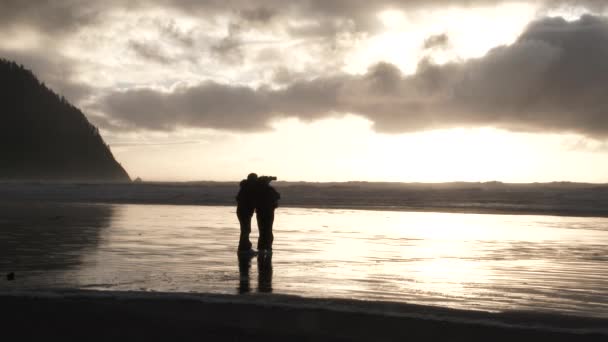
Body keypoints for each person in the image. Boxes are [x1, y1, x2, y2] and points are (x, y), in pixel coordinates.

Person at [255, 176, 280, 252]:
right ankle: (268, 247)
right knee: (268, 230)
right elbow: (278, 196)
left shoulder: (257, 190)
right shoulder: (269, 189)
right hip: (269, 212)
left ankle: (261, 247)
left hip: (260, 212)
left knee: (262, 230)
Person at [236, 173, 258, 252]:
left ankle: (244, 246)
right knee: (246, 230)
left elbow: (238, 198)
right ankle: (244, 247)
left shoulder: (245, 187)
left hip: (242, 211)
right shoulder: (248, 188)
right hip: (244, 211)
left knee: (245, 229)